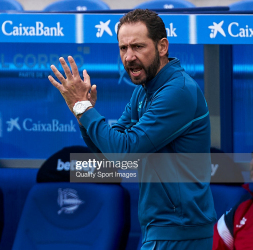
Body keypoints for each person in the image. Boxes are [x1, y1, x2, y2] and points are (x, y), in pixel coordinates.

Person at [48, 9, 216, 250]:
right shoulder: (143, 90)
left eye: (137, 47)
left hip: (180, 232)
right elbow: (113, 158)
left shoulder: (177, 91)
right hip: (160, 229)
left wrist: (83, 108)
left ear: (162, 47)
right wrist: (82, 114)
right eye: (123, 48)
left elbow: (124, 152)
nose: (128, 57)